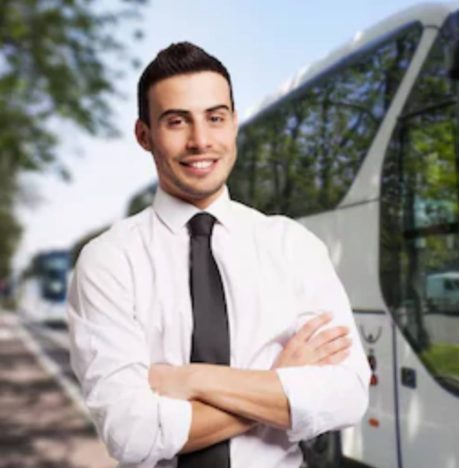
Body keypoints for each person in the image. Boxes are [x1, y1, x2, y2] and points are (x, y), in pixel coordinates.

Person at [67, 42, 370, 468]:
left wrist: (190, 379)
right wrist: (277, 384)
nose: (201, 141)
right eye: (177, 121)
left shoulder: (293, 245)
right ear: (144, 135)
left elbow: (347, 397)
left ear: (233, 124)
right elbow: (131, 434)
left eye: (216, 118)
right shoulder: (108, 261)